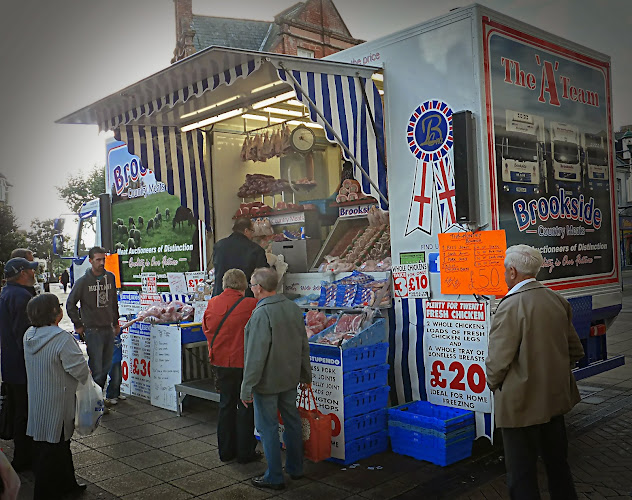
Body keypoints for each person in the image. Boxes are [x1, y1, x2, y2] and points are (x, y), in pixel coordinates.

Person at [485, 245, 585, 499]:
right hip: (555, 399)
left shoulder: (510, 306)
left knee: (521, 472)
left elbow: (498, 362)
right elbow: (575, 350)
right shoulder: (556, 299)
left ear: (512, 271)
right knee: (557, 464)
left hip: (521, 403)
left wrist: (493, 383)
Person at [240, 267, 311, 490]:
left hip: (267, 382)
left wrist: (246, 387)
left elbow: (255, 355)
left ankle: (274, 476)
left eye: (251, 284)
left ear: (259, 288)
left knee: (268, 427)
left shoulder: (261, 313)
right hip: (290, 378)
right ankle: (296, 468)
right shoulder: (292, 307)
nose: (250, 288)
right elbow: (303, 346)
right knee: (292, 422)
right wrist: (305, 375)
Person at [24, 293, 89, 499]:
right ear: (54, 312)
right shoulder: (62, 339)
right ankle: (44, 493)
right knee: (54, 448)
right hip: (58, 401)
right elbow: (80, 370)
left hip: (38, 399)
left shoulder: (29, 335)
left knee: (53, 445)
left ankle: (67, 483)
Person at [202, 269, 258, 463]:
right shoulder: (252, 305)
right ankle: (245, 453)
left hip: (220, 363)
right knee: (245, 406)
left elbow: (206, 329)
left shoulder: (212, 303)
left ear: (224, 284)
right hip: (244, 363)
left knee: (225, 405)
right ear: (244, 286)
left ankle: (225, 451)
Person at [0, 257, 38, 472]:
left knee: (18, 411)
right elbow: (25, 337)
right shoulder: (22, 296)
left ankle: (23, 455)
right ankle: (24, 458)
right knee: (24, 412)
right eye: (30, 270)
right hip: (22, 367)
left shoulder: (7, 293)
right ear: (22, 272)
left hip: (10, 366)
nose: (34, 273)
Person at [66, 246, 119, 390]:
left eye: (104, 259)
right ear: (90, 261)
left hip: (108, 328)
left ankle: (97, 400)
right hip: (92, 330)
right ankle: (94, 402)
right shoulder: (83, 281)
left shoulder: (110, 277)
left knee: (107, 366)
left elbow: (114, 301)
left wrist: (116, 323)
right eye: (98, 260)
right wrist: (78, 324)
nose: (102, 263)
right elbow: (70, 304)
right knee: (97, 368)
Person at [212, 218, 268, 298]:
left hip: (220, 296)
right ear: (246, 231)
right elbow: (263, 275)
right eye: (252, 231)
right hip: (245, 297)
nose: (252, 235)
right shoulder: (255, 249)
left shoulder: (219, 246)